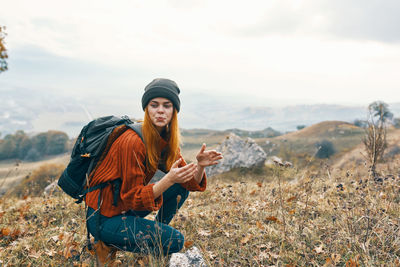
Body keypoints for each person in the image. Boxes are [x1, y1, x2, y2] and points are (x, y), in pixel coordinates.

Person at [85, 78, 222, 266]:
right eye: (154, 105)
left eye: (167, 105)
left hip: (124, 208)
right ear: (146, 109)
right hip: (104, 217)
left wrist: (200, 167)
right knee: (175, 240)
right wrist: (168, 179)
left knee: (180, 188)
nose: (160, 110)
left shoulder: (163, 138)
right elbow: (132, 196)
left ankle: (151, 242)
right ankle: (107, 243)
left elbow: (189, 183)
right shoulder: (132, 141)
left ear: (174, 111)